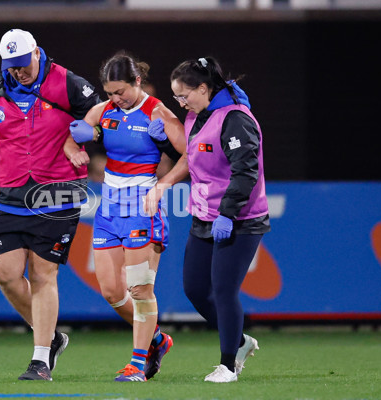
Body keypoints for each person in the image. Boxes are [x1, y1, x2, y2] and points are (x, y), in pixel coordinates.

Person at [0, 29, 100, 381]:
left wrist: (85, 134)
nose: (18, 72)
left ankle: (40, 359)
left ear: (37, 53)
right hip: (11, 195)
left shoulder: (68, 83)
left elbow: (102, 111)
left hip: (57, 192)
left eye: (23, 65)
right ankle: (52, 337)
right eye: (11, 67)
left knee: (43, 274)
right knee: (5, 274)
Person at [144, 56, 270, 383]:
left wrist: (227, 214)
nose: (181, 102)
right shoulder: (196, 117)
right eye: (176, 97)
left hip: (239, 219)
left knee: (225, 290)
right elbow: (199, 161)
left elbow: (246, 173)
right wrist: (163, 142)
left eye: (184, 95)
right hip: (204, 216)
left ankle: (228, 365)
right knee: (196, 290)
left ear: (204, 88)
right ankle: (239, 340)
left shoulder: (236, 120)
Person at [64, 52, 185, 382]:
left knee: (140, 289)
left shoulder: (158, 112)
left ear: (137, 81)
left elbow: (189, 156)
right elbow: (72, 137)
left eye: (120, 92)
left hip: (142, 207)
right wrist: (77, 149)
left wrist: (162, 185)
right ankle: (157, 339)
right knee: (111, 292)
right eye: (109, 93)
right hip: (109, 207)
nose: (114, 99)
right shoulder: (103, 111)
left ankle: (137, 363)